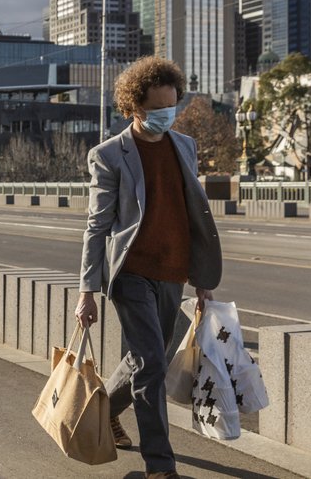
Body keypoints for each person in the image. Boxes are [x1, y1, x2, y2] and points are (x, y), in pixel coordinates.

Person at [76, 57, 223, 479]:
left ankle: (104, 409)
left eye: (172, 106)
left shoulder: (185, 146)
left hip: (173, 271)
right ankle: (160, 466)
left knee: (147, 359)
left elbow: (191, 216)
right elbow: (96, 227)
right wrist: (87, 291)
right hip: (132, 273)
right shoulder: (108, 155)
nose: (167, 116)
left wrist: (201, 281)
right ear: (133, 108)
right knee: (153, 366)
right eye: (157, 109)